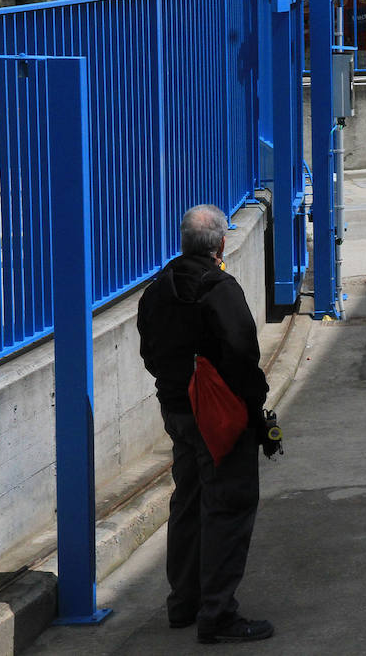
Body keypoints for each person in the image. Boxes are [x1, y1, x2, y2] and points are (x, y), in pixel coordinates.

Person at [137, 204, 274, 645]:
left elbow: (149, 353)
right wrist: (256, 414)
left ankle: (184, 603)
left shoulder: (158, 290)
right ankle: (217, 615)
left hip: (177, 413)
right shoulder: (220, 288)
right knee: (228, 506)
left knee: (189, 500)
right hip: (218, 419)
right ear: (220, 243)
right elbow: (243, 358)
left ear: (183, 242)